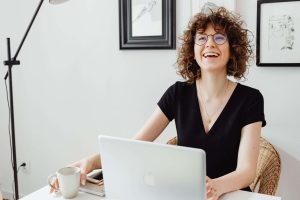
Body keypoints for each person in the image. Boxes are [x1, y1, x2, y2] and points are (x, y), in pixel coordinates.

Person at [51, 7, 265, 200]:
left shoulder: (250, 99)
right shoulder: (177, 93)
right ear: (193, 49)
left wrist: (215, 187)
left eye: (219, 38)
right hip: (185, 195)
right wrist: (91, 161)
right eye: (201, 38)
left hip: (231, 195)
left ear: (233, 48)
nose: (209, 44)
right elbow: (133, 146)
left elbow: (247, 172)